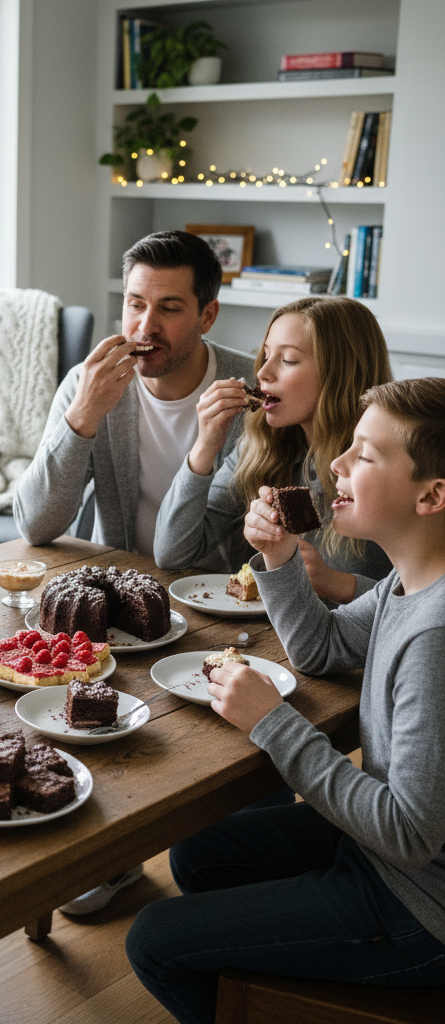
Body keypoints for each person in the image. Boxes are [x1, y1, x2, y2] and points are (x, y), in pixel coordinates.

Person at [126, 377, 445, 1024]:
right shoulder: (407, 589)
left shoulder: (435, 638)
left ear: (432, 495)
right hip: (383, 858)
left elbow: (409, 834)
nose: (338, 464)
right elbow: (323, 649)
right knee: (197, 852)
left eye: (367, 454)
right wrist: (277, 560)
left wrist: (273, 723)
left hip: (417, 908)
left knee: (153, 942)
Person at [14, 230, 254, 568]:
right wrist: (83, 415)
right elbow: (34, 526)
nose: (147, 325)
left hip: (220, 601)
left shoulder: (251, 391)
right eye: (136, 304)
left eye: (169, 308)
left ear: (207, 316)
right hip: (118, 587)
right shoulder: (88, 384)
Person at [155, 295, 394, 600]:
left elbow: (424, 598)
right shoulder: (262, 448)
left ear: (340, 373)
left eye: (289, 359)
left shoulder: (389, 464)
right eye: (265, 355)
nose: (263, 372)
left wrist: (336, 583)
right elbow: (172, 553)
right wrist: (204, 448)